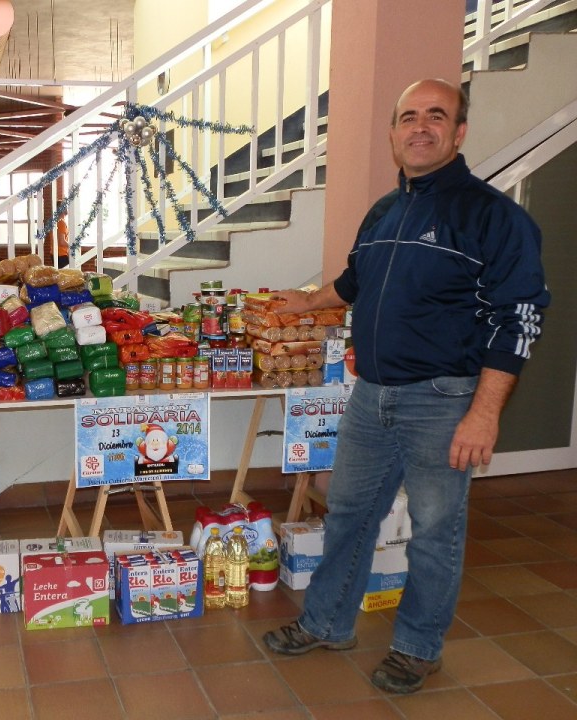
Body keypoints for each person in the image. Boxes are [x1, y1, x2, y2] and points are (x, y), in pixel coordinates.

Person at [262, 78, 549, 694]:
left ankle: (418, 647)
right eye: (408, 116)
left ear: (459, 132)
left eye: (436, 116)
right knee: (347, 514)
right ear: (393, 135)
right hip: (372, 394)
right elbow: (355, 281)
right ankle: (328, 621)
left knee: (434, 530)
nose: (420, 127)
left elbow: (519, 317)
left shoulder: (495, 218)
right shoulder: (385, 211)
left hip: (445, 400)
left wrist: (485, 413)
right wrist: (307, 304)